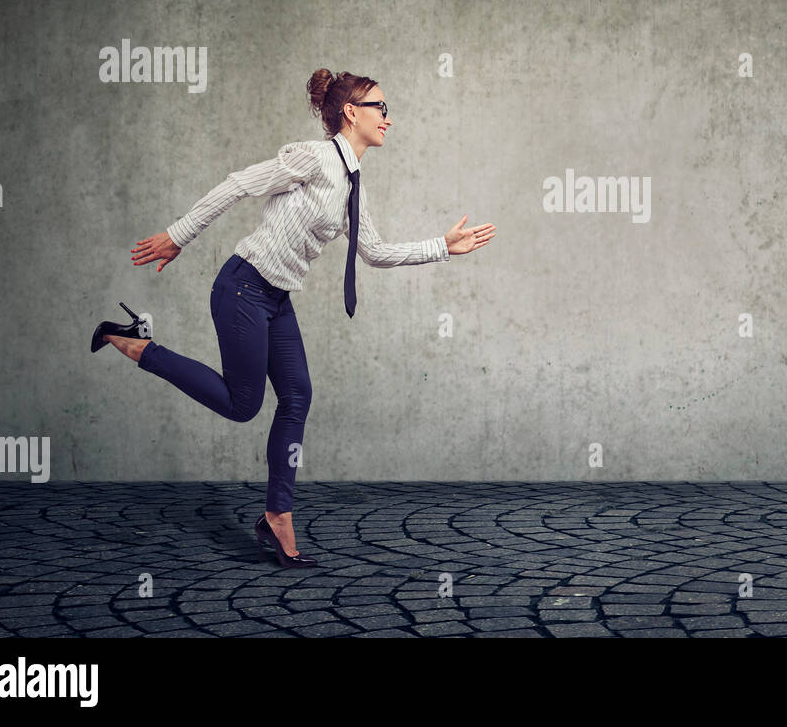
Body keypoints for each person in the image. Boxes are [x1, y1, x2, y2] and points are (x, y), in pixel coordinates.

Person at [93, 68, 495, 567]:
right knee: (243, 405)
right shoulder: (315, 157)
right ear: (352, 113)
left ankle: (277, 514)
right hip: (242, 287)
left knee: (297, 395)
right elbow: (240, 184)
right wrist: (179, 233)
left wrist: (442, 247)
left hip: (276, 299)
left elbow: (373, 251)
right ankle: (135, 343)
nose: (389, 119)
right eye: (382, 108)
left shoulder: (352, 183)